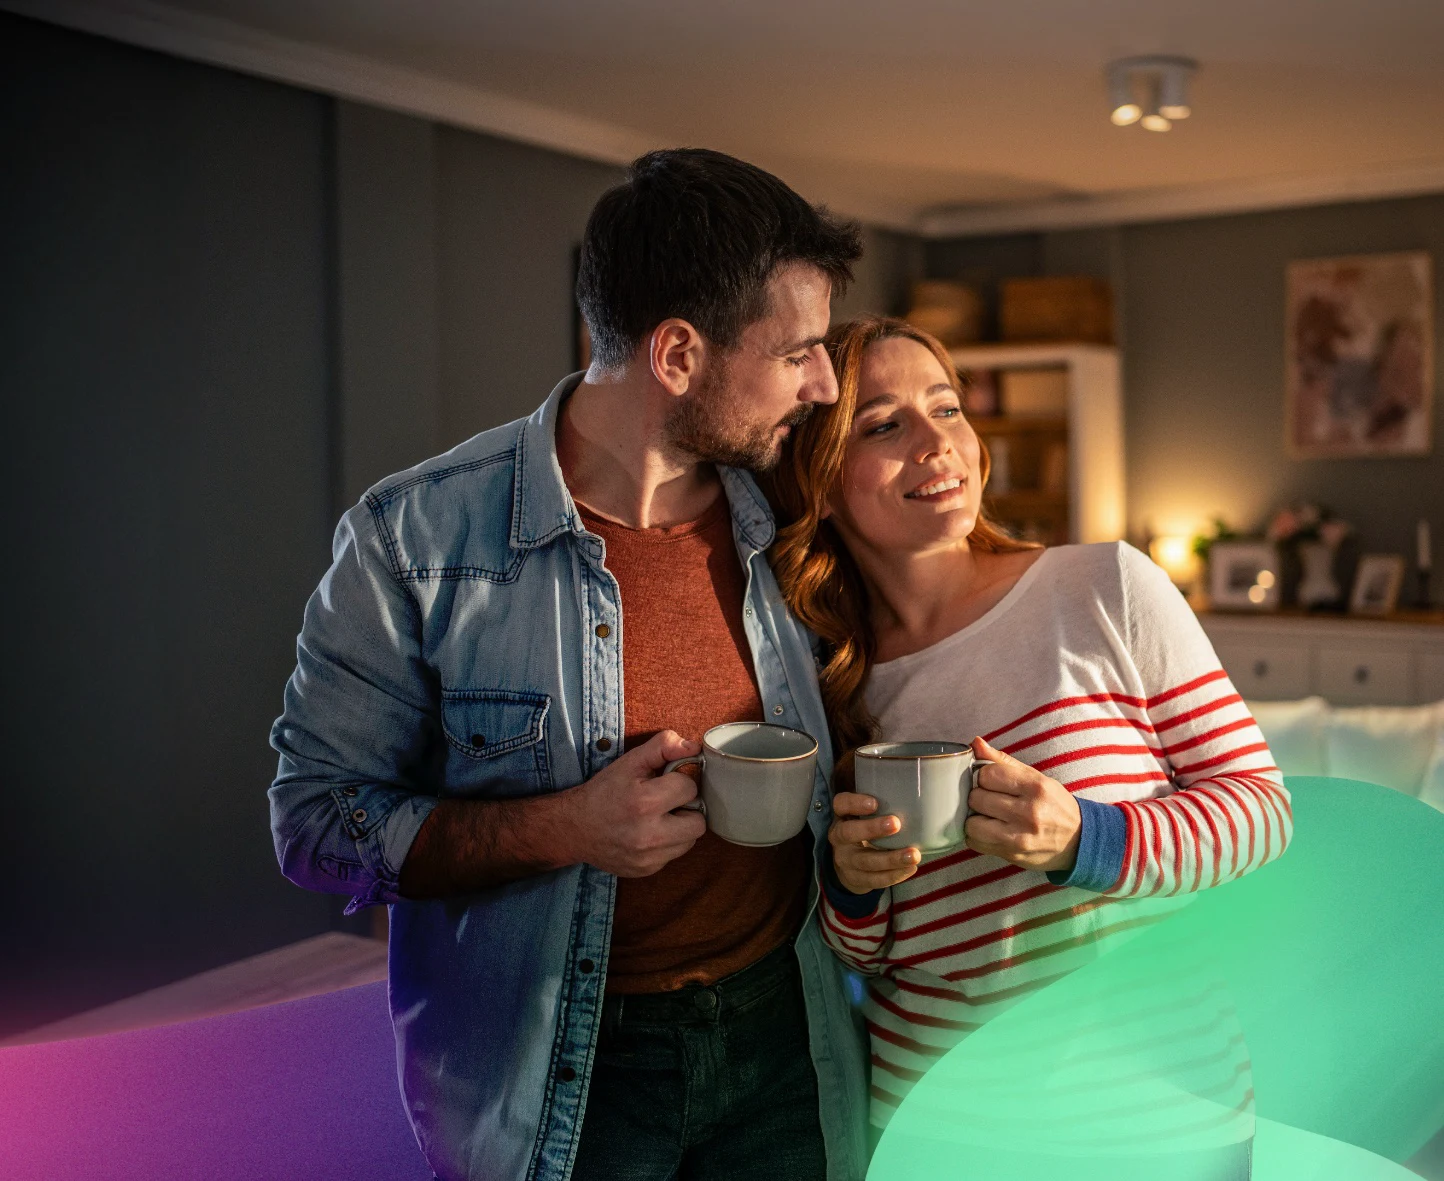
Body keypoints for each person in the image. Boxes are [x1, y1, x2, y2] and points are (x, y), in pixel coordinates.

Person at [269, 149, 869, 1181]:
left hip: (786, 1032)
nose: (823, 384)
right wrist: (566, 829)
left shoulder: (798, 516)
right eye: (798, 353)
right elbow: (317, 826)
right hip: (565, 1072)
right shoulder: (413, 536)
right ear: (678, 354)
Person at [766, 315, 1291, 1167]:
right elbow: (866, 952)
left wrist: (1089, 836)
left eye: (946, 409)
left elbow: (1262, 814)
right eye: (884, 425)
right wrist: (853, 887)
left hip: (1163, 1116)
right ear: (819, 483)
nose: (937, 443)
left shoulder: (1104, 587)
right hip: (952, 1128)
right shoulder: (823, 686)